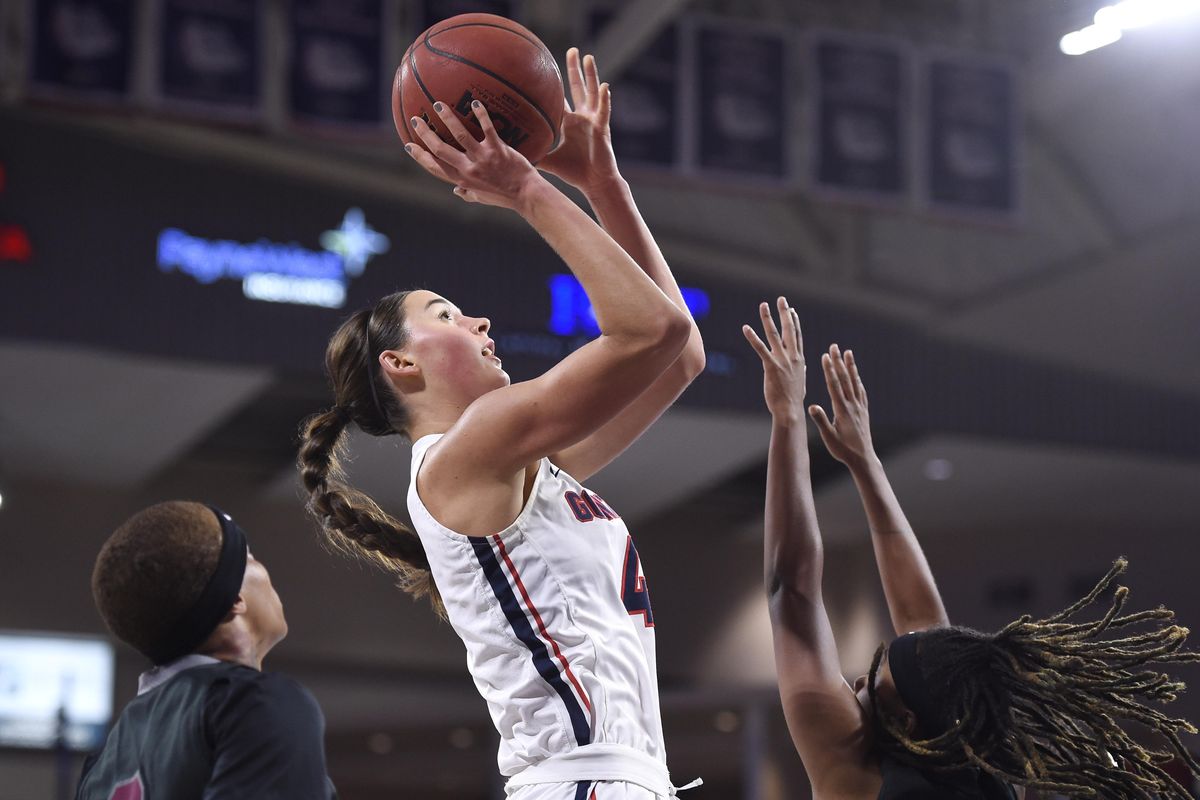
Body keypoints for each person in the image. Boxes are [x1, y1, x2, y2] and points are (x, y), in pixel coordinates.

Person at [296, 50, 704, 799]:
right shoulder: (463, 456)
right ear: (401, 366)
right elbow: (653, 330)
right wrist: (526, 188)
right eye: (446, 315)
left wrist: (602, 183)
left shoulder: (519, 468)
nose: (479, 320)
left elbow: (678, 355)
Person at [744, 297, 1200, 800]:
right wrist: (866, 464)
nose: (855, 684)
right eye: (870, 679)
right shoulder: (992, 778)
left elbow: (793, 590)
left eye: (874, 684)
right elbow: (925, 629)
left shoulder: (858, 773)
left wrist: (788, 417)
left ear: (907, 720)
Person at [78, 501, 336, 800]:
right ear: (234, 601)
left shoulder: (102, 762)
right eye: (249, 557)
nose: (265, 571)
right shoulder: (253, 703)